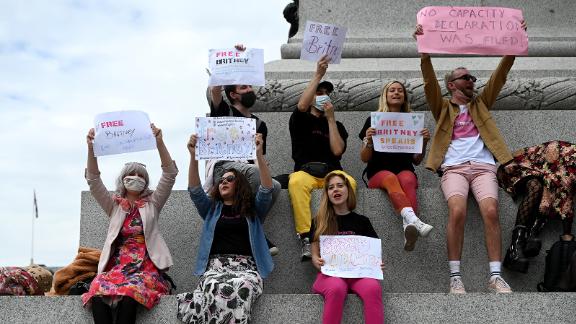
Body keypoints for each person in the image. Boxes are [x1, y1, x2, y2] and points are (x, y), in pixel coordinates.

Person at [414, 20, 526, 294]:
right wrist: (424, 53)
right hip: (453, 169)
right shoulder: (442, 107)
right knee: (458, 210)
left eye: (473, 78)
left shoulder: (481, 103)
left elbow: (499, 77)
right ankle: (455, 277)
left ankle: (496, 276)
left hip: (484, 168)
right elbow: (429, 83)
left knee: (490, 211)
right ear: (452, 84)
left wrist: (512, 45)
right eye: (466, 77)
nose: (472, 81)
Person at [82, 124, 177, 324]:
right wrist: (92, 149)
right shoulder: (114, 205)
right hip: (118, 267)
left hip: (146, 268)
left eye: (141, 176)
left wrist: (159, 142)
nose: (137, 178)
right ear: (122, 180)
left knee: (129, 293)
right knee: (97, 292)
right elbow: (93, 179)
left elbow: (169, 174)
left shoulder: (153, 202)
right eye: (132, 174)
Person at [177, 133, 274, 324]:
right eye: (221, 179)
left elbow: (266, 189)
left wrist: (259, 155)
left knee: (241, 286)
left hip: (246, 269)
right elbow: (195, 191)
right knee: (213, 286)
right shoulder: (211, 210)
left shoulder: (253, 210)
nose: (223, 181)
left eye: (230, 178)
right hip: (215, 268)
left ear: (240, 185)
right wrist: (193, 156)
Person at [206, 44, 281, 255]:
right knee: (255, 175)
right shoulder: (224, 111)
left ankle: (250, 229)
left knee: (273, 186)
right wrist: (234, 59)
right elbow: (214, 90)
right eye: (244, 87)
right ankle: (256, 233)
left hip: (249, 168)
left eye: (249, 86)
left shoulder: (260, 125)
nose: (250, 90)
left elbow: (259, 160)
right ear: (233, 95)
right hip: (224, 168)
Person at [289, 54, 357, 261]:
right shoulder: (300, 119)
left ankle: (340, 230)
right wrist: (318, 75)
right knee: (296, 181)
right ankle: (306, 237)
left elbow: (337, 151)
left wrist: (331, 120)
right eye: (319, 92)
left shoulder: (337, 125)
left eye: (327, 93)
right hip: (306, 171)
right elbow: (301, 106)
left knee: (349, 182)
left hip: (331, 172)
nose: (324, 95)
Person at [360, 80, 433, 251]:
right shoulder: (373, 120)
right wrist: (368, 140)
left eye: (400, 90)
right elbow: (364, 158)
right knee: (391, 178)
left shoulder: (413, 121)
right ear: (385, 96)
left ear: (404, 97)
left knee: (407, 179)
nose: (396, 93)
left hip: (405, 169)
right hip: (378, 173)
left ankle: (409, 230)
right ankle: (414, 221)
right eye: (391, 90)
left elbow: (416, 161)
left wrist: (424, 143)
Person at [310, 171, 384, 324]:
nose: (335, 190)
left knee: (373, 288)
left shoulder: (362, 221)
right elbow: (314, 254)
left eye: (340, 186)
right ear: (327, 194)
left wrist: (377, 263)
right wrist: (316, 260)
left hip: (358, 276)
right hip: (330, 276)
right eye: (330, 188)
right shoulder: (319, 221)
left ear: (348, 190)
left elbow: (373, 251)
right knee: (336, 288)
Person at [497, 140, 575, 273]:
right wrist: (566, 232)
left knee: (538, 187)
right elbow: (564, 194)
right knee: (539, 188)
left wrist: (567, 233)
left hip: (543, 176)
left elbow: (566, 195)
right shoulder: (570, 158)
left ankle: (524, 242)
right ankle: (519, 246)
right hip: (524, 166)